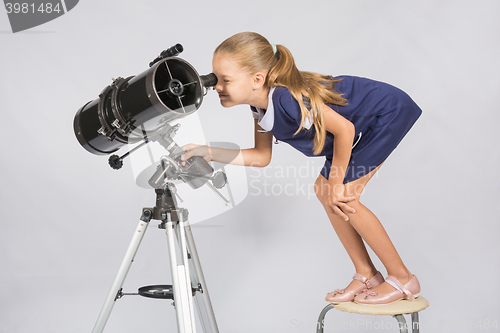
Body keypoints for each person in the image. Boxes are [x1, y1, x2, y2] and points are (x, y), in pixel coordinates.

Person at [181, 32, 422, 305]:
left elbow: (344, 129)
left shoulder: (287, 99)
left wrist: (337, 183)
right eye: (215, 79)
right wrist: (208, 152)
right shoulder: (259, 108)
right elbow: (261, 156)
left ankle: (402, 277)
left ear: (257, 79)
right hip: (359, 128)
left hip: (387, 112)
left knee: (343, 195)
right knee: (324, 191)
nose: (217, 87)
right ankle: (366, 273)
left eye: (225, 80)